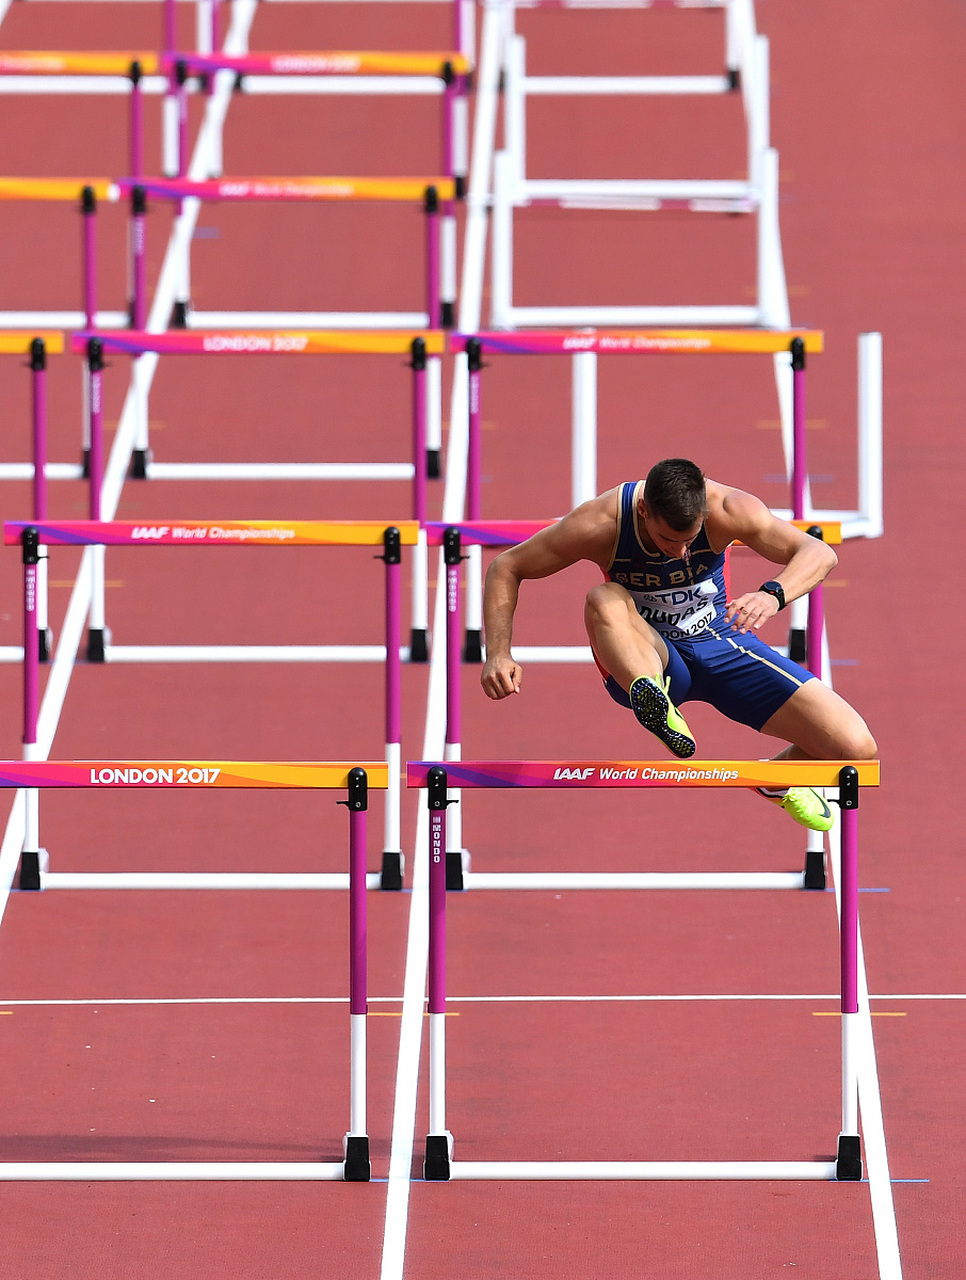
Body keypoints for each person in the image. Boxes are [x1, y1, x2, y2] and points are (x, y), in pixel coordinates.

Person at [480, 458, 876, 831]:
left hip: (720, 641)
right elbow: (507, 566)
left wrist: (772, 595)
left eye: (689, 541)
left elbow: (818, 552)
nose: (681, 552)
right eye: (668, 540)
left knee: (856, 749)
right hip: (647, 650)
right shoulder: (601, 522)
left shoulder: (730, 507)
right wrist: (498, 653)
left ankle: (777, 781)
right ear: (643, 512)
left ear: (703, 513)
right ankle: (653, 698)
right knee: (604, 596)